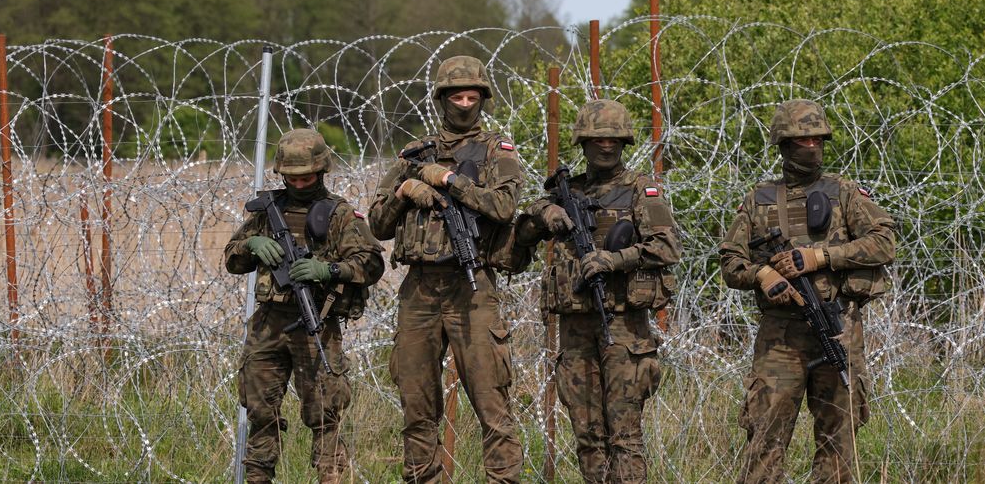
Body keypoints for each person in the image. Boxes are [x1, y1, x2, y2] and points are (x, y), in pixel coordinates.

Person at [367, 55, 526, 483]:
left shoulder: (497, 151)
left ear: (483, 97)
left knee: (492, 405)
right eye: (457, 93)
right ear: (441, 97)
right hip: (420, 289)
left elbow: (505, 207)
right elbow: (378, 225)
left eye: (473, 94)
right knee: (417, 407)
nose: (465, 100)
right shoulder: (413, 154)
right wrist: (406, 189)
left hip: (471, 288)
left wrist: (449, 181)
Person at [720, 99, 895, 484]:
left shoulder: (845, 194)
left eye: (818, 139)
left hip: (837, 329)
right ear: (783, 144)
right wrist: (764, 275)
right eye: (803, 140)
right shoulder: (759, 200)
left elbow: (885, 242)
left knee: (838, 444)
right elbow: (731, 261)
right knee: (764, 439)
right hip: (780, 338)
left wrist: (821, 257)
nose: (812, 146)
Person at [514, 98, 680, 483]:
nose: (605, 146)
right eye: (596, 140)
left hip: (623, 326)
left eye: (613, 140)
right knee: (587, 433)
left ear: (624, 143)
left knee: (624, 434)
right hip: (576, 327)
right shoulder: (565, 192)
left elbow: (667, 246)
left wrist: (614, 260)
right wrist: (544, 213)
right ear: (583, 143)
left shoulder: (640, 189)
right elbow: (518, 239)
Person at [225, 128, 385, 484]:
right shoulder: (269, 210)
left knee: (325, 412)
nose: (298, 184)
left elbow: (371, 263)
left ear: (322, 170)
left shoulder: (339, 214)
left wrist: (327, 269)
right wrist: (251, 243)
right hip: (269, 323)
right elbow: (232, 260)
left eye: (307, 177)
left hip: (316, 325)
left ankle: (331, 476)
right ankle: (257, 478)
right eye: (291, 177)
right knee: (260, 408)